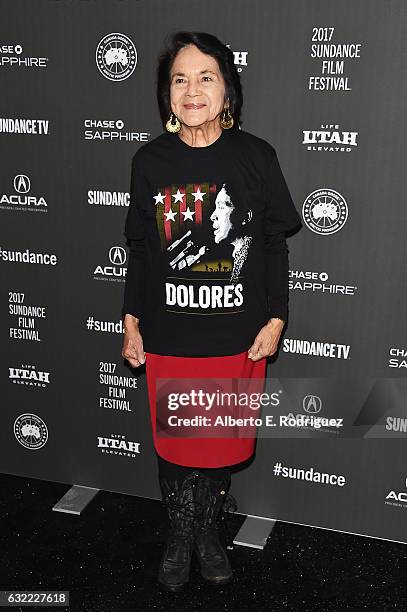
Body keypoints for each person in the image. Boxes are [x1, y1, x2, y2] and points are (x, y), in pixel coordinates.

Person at [120, 31, 302, 592]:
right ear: (166, 93)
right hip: (170, 335)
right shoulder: (149, 161)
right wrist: (130, 322)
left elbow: (274, 244)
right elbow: (142, 252)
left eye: (206, 77)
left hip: (236, 337)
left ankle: (207, 533)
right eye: (180, 79)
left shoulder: (256, 157)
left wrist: (276, 318)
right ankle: (180, 533)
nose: (192, 90)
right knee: (177, 444)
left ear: (228, 90)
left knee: (219, 445)